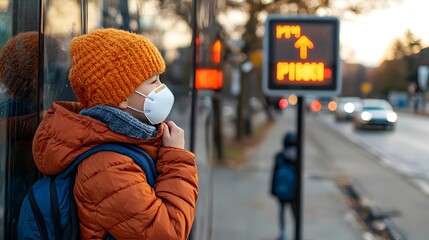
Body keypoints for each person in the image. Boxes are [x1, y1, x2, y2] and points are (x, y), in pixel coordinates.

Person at [31, 28, 198, 239]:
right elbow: (169, 232)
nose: (162, 88)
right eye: (153, 82)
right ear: (122, 98)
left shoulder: (132, 140)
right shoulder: (107, 167)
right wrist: (175, 158)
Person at [270, 131, 298, 240]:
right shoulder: (297, 157)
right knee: (294, 212)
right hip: (293, 191)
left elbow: (274, 175)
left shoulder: (279, 156)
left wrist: (273, 190)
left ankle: (282, 232)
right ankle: (297, 232)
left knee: (281, 211)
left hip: (281, 190)